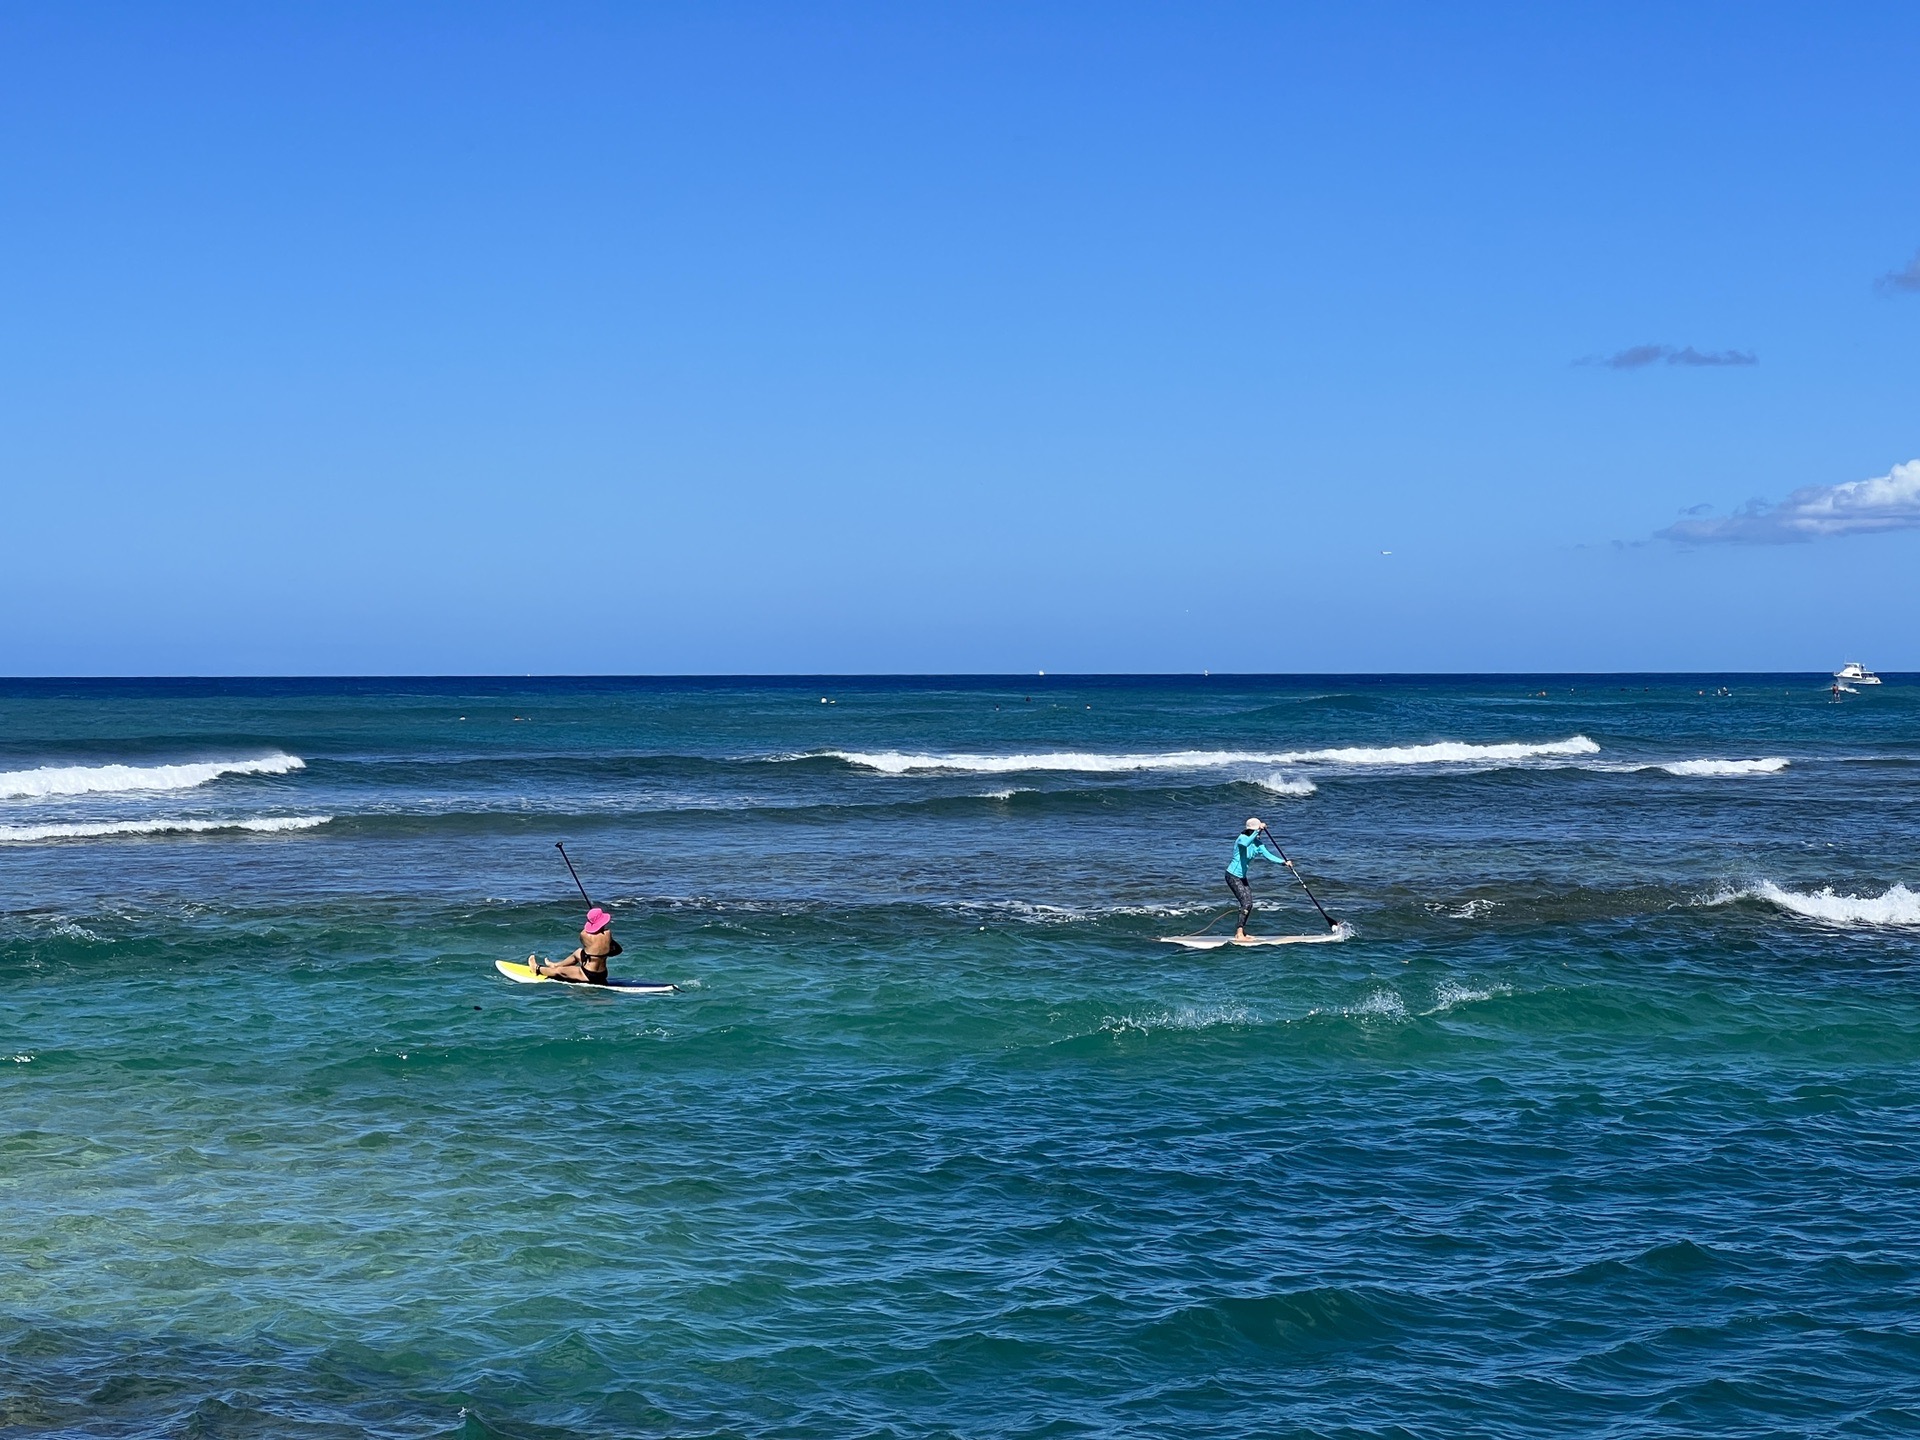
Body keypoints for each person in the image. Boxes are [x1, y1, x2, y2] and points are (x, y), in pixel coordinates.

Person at [1226, 817, 1293, 941]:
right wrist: (1258, 830)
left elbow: (1269, 856)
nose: (1260, 833)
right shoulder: (1242, 838)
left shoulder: (1258, 844)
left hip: (1242, 877)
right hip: (1232, 875)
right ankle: (1239, 933)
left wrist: (1283, 862)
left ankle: (1241, 932)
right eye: (1258, 831)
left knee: (1249, 904)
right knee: (1246, 903)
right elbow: (1245, 844)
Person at [528, 906, 622, 985]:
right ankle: (555, 965)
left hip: (588, 974)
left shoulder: (584, 935)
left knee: (560, 971)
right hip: (602, 974)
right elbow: (616, 949)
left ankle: (537, 969)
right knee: (578, 952)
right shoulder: (608, 933)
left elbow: (588, 938)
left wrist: (594, 924)